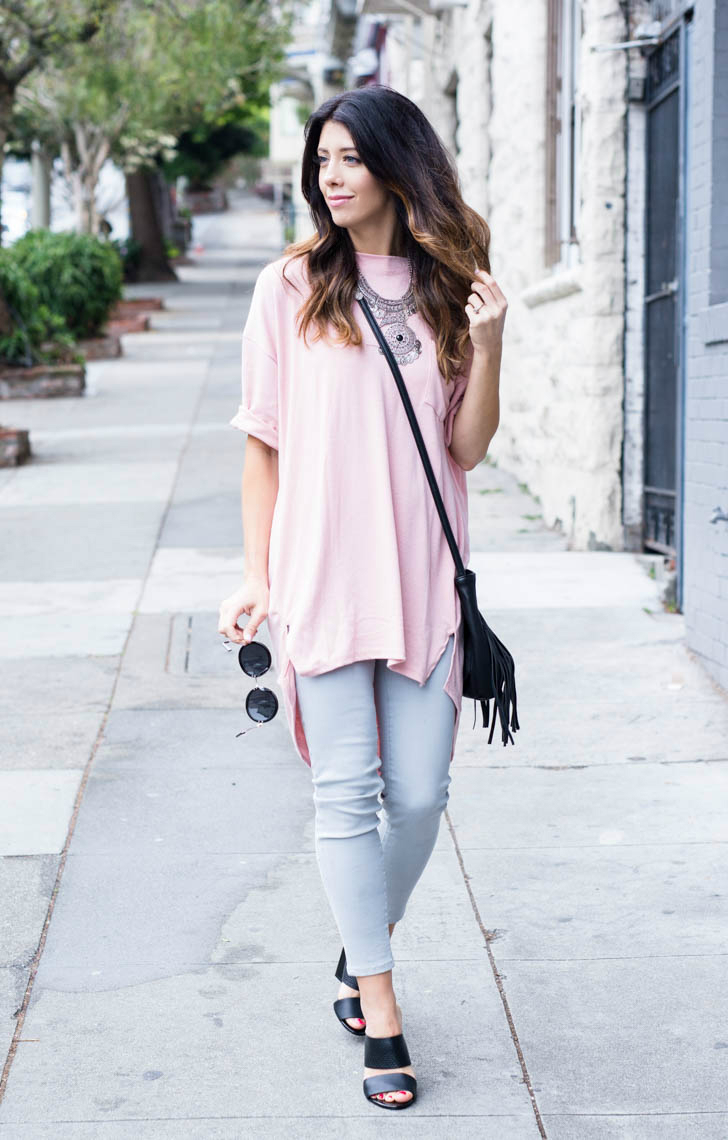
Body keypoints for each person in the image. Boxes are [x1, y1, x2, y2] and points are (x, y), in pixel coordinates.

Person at [217, 84, 507, 1110]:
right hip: (323, 577)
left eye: (349, 157)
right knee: (344, 796)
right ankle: (381, 1007)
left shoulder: (446, 290)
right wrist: (256, 574)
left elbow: (465, 449)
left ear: (395, 163)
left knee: (421, 797)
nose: (331, 175)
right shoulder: (289, 287)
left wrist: (494, 337)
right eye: (322, 159)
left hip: (421, 576)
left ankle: (355, 945)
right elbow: (264, 446)